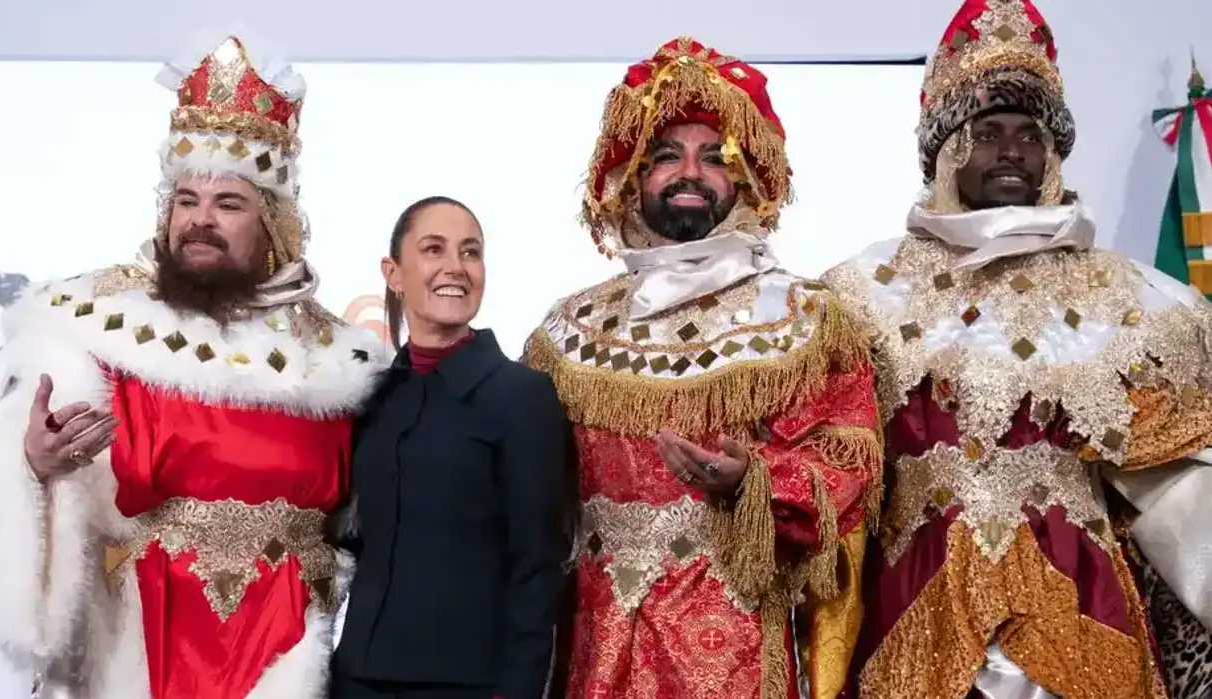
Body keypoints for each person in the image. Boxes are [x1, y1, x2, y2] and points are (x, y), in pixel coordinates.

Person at [0, 34, 389, 699]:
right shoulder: (99, 327)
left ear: (273, 223)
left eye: (228, 204)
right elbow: (11, 493)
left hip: (287, 650)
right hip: (144, 650)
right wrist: (36, 469)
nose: (201, 221)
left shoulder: (336, 359)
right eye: (186, 201)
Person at [819, 2, 1212, 698]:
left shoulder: (1129, 299)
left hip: (1081, 613)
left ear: (1052, 153)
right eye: (986, 131)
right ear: (945, 149)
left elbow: (1184, 489)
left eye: (1029, 133)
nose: (1009, 149)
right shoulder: (860, 297)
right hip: (913, 616)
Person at [522, 37, 884, 699]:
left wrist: (756, 478)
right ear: (631, 178)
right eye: (665, 156)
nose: (689, 172)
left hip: (731, 651)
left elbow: (850, 469)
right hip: (593, 648)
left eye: (713, 157)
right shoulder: (565, 331)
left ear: (742, 179)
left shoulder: (803, 321)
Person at [331, 196, 571, 699]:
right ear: (394, 273)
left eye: (470, 252)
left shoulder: (521, 396)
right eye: (434, 249)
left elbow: (537, 566)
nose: (455, 268)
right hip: (356, 677)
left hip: (467, 684)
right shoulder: (370, 395)